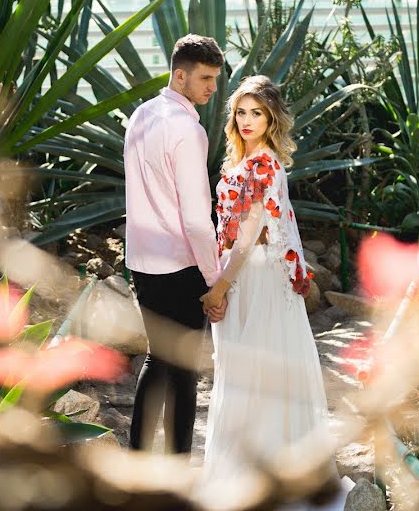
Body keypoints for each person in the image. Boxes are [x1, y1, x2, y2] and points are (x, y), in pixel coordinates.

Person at [198, 75, 352, 507]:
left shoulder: (265, 164)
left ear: (271, 119)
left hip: (260, 275)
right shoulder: (236, 163)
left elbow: (249, 236)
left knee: (256, 372)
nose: (247, 121)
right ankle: (241, 469)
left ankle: (264, 474)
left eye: (257, 113)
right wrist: (220, 278)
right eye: (241, 112)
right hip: (238, 272)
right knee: (239, 370)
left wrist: (220, 287)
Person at [124, 34, 227, 455]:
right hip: (181, 267)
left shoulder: (140, 115)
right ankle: (176, 469)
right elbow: (197, 221)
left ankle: (137, 465)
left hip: (143, 263)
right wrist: (214, 278)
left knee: (158, 361)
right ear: (179, 74)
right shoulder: (187, 129)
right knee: (182, 372)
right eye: (204, 78)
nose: (212, 88)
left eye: (215, 78)